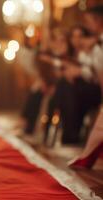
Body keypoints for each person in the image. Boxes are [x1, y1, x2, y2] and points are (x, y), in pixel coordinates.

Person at [69, 5, 103, 169]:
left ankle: (83, 147)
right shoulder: (97, 43)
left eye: (89, 21)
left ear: (98, 21)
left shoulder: (98, 44)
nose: (88, 25)